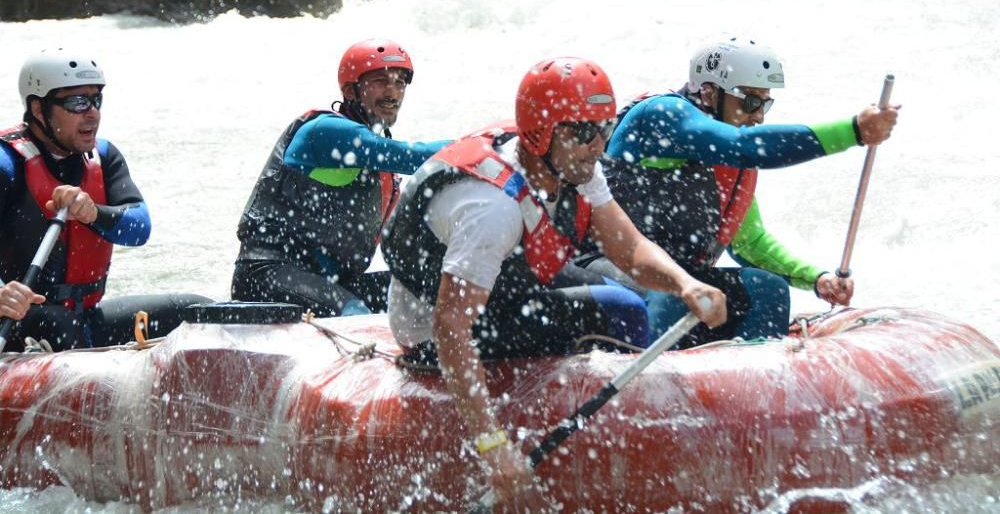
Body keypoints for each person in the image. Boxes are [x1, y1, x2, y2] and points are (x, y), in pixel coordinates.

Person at [382, 57, 727, 505]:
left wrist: (685, 284)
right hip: (427, 326)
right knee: (619, 311)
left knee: (624, 290)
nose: (598, 144)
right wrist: (493, 447)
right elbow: (451, 326)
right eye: (584, 132)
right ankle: (623, 441)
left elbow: (629, 248)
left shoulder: (574, 165)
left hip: (503, 285)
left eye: (604, 128)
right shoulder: (492, 209)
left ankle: (609, 420)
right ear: (543, 132)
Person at [573, 35, 900, 347]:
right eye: (750, 100)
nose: (758, 115)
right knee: (671, 294)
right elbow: (742, 146)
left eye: (765, 103)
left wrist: (817, 278)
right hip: (605, 267)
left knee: (766, 289)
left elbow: (749, 243)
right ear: (711, 93)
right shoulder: (661, 117)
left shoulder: (730, 161)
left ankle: (753, 388)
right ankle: (648, 390)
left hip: (681, 279)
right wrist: (853, 131)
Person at [0, 49, 210, 351]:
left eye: (96, 100)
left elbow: (140, 228)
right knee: (59, 322)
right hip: (16, 324)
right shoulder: (6, 163)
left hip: (82, 319)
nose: (92, 113)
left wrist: (92, 214)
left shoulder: (105, 156)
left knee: (197, 311)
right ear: (38, 109)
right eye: (77, 103)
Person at [232, 38, 449, 316]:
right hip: (268, 276)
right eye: (381, 81)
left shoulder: (376, 164)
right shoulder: (325, 131)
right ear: (351, 91)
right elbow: (412, 157)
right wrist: (485, 144)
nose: (393, 92)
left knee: (435, 287)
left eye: (400, 83)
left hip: (333, 282)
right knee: (354, 312)